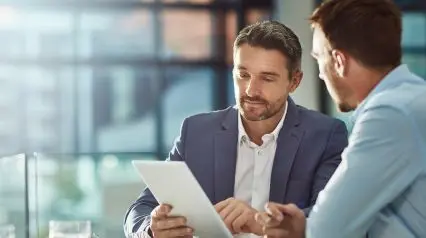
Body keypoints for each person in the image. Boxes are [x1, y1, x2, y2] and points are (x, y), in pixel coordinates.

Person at [124, 20, 348, 238]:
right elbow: (140, 210)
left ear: (294, 81)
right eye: (243, 75)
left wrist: (258, 221)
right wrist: (152, 229)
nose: (251, 90)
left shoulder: (326, 135)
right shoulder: (196, 132)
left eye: (267, 78)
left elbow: (331, 220)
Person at [256, 0, 426, 238]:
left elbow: (328, 230)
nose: (320, 74)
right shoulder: (410, 99)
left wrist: (311, 227)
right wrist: (307, 226)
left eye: (318, 59)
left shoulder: (389, 113)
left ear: (338, 61)